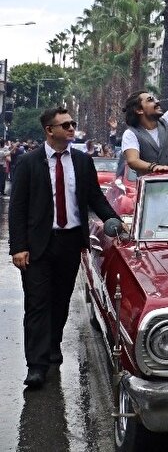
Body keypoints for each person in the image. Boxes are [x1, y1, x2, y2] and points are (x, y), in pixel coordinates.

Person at [9, 107, 121, 388]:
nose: (72, 128)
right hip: (37, 246)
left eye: (72, 124)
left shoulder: (82, 161)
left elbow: (95, 197)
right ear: (50, 130)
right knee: (37, 303)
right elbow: (18, 207)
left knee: (59, 301)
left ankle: (52, 345)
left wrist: (113, 218)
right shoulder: (29, 162)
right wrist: (18, 247)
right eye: (66, 125)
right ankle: (36, 365)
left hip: (70, 242)